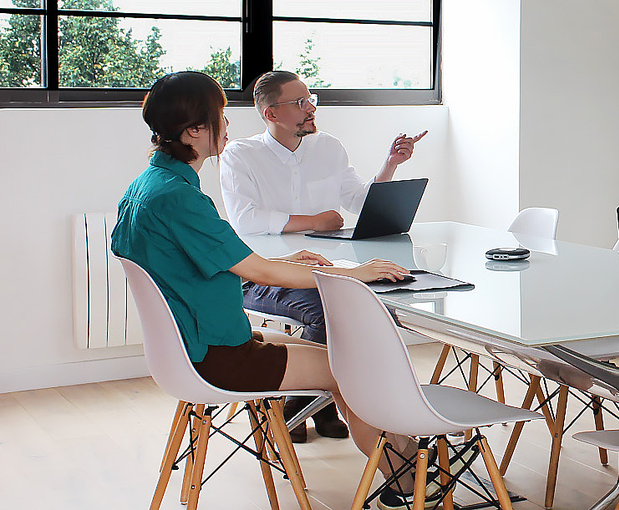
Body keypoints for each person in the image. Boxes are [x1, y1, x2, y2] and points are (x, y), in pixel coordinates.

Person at [112, 71, 423, 509]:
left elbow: (234, 263)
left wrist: (287, 260)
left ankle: (410, 466)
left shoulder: (148, 187)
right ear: (194, 130)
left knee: (346, 357)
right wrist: (357, 274)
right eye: (219, 115)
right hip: (217, 356)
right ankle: (411, 477)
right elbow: (259, 271)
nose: (226, 125)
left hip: (193, 345)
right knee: (353, 369)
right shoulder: (179, 198)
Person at [219, 70, 426, 441]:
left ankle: (323, 402)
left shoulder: (328, 146)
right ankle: (308, 402)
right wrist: (315, 221)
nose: (311, 108)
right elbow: (245, 220)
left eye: (310, 99)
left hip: (325, 269)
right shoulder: (241, 155)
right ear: (271, 113)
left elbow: (358, 201)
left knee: (369, 300)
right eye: (300, 102)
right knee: (331, 310)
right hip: (265, 274)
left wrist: (391, 164)